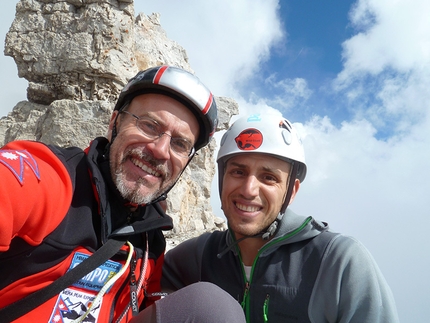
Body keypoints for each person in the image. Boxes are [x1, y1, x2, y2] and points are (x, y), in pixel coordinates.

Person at [0, 65, 246, 323]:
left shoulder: (151, 238)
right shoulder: (47, 179)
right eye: (149, 125)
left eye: (179, 143)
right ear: (114, 123)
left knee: (212, 309)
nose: (161, 150)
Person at [162, 113, 400, 323]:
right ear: (221, 179)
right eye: (238, 172)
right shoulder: (197, 256)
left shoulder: (339, 262)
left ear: (291, 191)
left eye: (268, 177)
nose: (249, 189)